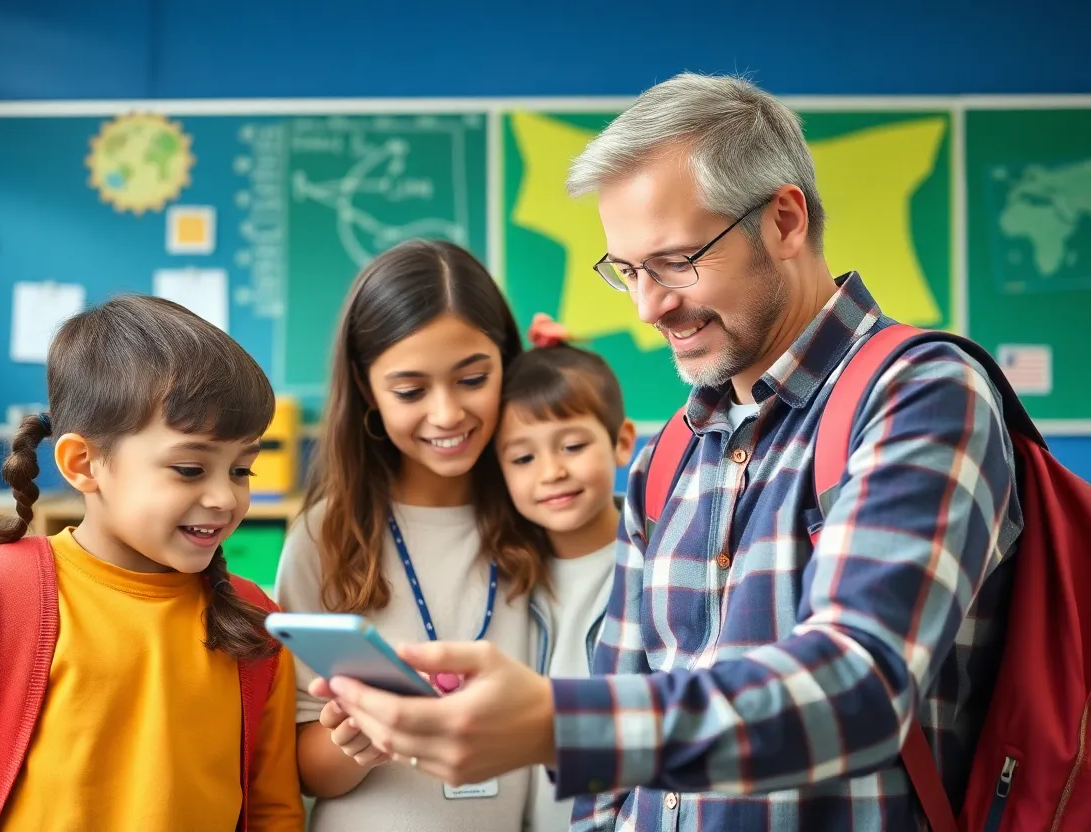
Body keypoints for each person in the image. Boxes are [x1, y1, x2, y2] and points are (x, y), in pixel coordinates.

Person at [312, 71, 1022, 832]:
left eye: (676, 261)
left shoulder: (921, 393)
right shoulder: (665, 461)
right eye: (627, 272)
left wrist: (555, 721)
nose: (650, 307)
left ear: (785, 220)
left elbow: (858, 691)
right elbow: (612, 775)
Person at [0, 296, 306, 831]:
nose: (224, 498)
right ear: (83, 464)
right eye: (191, 468)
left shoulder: (254, 621)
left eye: (242, 470)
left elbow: (272, 804)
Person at [275, 238, 543, 832]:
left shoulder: (541, 520)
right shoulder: (324, 538)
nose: (446, 414)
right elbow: (304, 770)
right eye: (411, 391)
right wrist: (357, 740)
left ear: (507, 364)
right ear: (368, 390)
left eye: (473, 378)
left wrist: (561, 399)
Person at [496, 315, 634, 832]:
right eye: (523, 457)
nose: (551, 471)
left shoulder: (659, 564)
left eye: (572, 447)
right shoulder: (505, 575)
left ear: (621, 443)